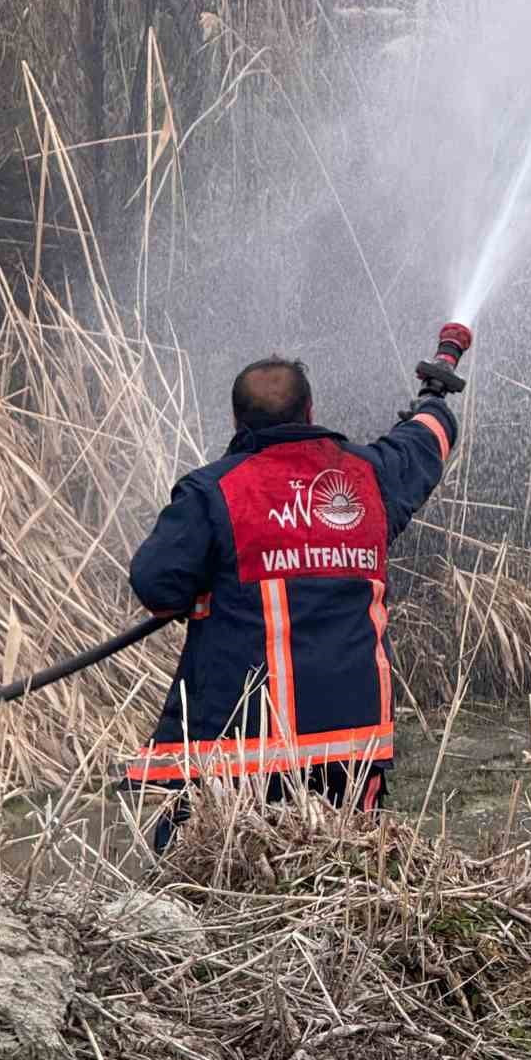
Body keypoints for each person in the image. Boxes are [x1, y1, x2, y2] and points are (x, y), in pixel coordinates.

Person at [124, 346, 461, 849]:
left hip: (243, 745)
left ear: (237, 420)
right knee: (345, 869)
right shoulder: (368, 477)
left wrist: (207, 587)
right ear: (309, 412)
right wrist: (433, 398)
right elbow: (429, 438)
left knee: (196, 871)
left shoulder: (211, 492)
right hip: (352, 740)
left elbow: (157, 586)